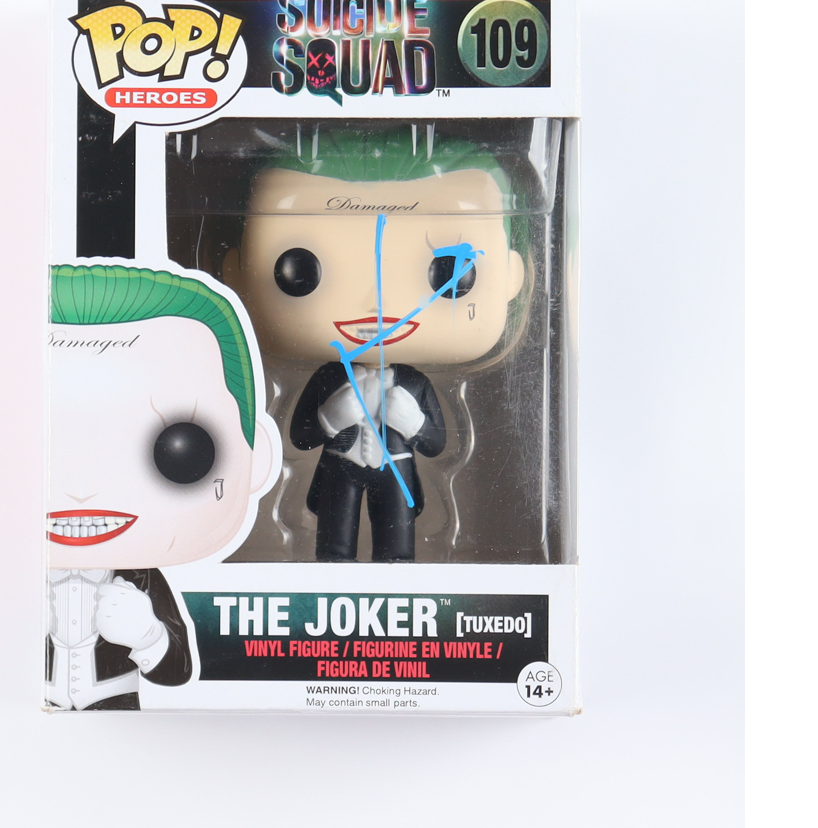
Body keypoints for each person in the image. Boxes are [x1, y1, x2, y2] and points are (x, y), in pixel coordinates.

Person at [223, 126, 527, 562]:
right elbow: (301, 436)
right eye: (300, 270)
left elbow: (436, 443)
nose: (376, 304)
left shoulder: (413, 382)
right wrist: (330, 418)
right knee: (334, 547)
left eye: (449, 274)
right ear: (234, 274)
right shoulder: (329, 378)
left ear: (512, 276)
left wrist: (414, 421)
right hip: (340, 470)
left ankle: (397, 572)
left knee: (397, 547)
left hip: (396, 470)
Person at [45, 265, 279, 708]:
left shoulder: (140, 578)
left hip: (118, 710)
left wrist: (149, 636)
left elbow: (177, 672)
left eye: (180, 450)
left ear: (258, 457)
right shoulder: (8, 577)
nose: (81, 490)